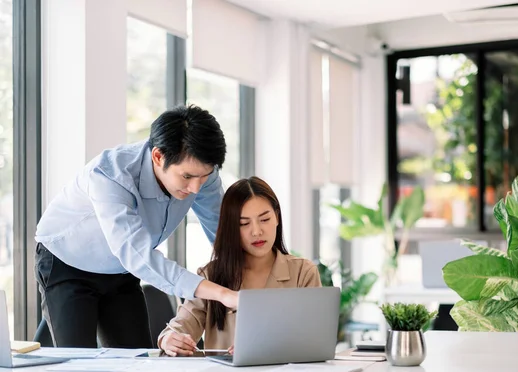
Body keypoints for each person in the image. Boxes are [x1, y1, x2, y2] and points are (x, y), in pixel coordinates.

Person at [34, 105, 238, 349]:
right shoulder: (111, 175)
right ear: (158, 156)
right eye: (186, 177)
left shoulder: (202, 172)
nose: (196, 188)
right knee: (79, 364)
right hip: (67, 262)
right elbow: (139, 256)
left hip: (120, 271)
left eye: (203, 177)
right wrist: (222, 294)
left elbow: (224, 234)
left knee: (136, 360)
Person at [158, 176, 321, 357]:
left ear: (277, 217)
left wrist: (268, 347)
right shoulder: (211, 275)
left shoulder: (303, 273)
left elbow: (314, 340)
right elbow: (182, 325)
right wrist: (169, 339)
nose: (257, 231)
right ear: (232, 228)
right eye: (244, 224)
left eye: (265, 219)